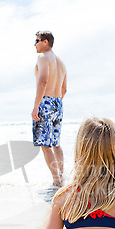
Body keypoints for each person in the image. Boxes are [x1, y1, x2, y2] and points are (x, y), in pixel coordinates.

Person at [32, 31, 67, 187]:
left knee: (45, 145)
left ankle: (57, 180)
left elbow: (43, 82)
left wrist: (36, 106)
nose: (35, 44)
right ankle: (62, 177)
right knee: (56, 144)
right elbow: (64, 89)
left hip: (45, 102)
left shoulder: (43, 57)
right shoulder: (61, 62)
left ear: (45, 42)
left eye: (37, 40)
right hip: (58, 103)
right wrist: (55, 103)